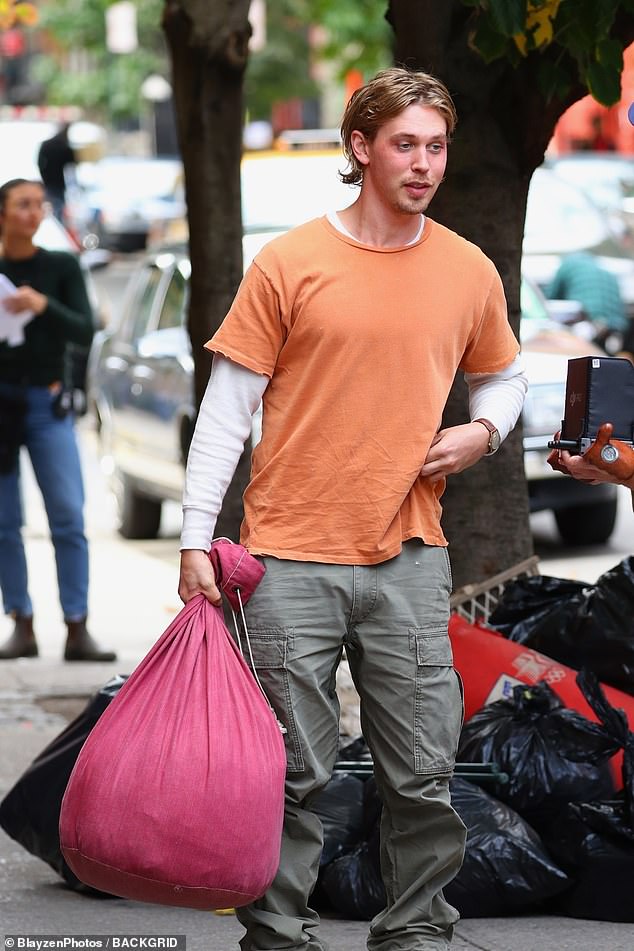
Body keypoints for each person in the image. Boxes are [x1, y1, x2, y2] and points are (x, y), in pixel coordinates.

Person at [179, 67, 527, 951]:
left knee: (422, 771)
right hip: (289, 553)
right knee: (293, 773)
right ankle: (278, 934)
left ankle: (414, 932)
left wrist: (484, 429)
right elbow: (226, 412)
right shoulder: (291, 261)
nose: (424, 164)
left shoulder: (465, 267)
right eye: (405, 144)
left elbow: (506, 372)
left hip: (410, 551)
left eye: (437, 146)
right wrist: (194, 541)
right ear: (361, 147)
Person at [0, 178, 116, 662]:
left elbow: (86, 326)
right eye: (23, 205)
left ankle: (76, 626)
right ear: (3, 213)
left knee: (67, 515)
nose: (34, 213)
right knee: (5, 523)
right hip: (2, 406)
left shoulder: (60, 265)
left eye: (39, 205)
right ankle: (21, 623)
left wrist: (42, 304)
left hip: (48, 403)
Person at [546, 251, 628, 351]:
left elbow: (551, 296)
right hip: (615, 324)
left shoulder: (567, 266)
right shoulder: (605, 271)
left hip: (588, 319)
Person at [36, 124, 76, 222]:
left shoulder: (47, 144)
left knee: (52, 208)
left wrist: (44, 176)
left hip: (49, 182)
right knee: (57, 210)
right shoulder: (64, 146)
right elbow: (72, 166)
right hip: (58, 183)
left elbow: (39, 163)